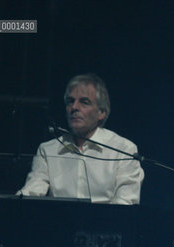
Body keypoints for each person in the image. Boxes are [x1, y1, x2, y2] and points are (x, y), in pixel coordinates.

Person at [17, 73, 144, 204]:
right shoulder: (48, 150)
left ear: (101, 112)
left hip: (105, 223)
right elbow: (30, 194)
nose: (74, 107)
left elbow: (125, 203)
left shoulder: (124, 150)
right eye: (70, 101)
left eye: (84, 102)